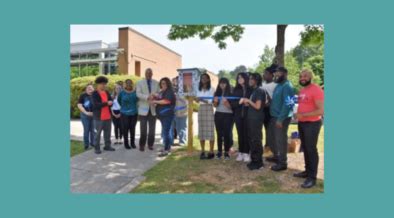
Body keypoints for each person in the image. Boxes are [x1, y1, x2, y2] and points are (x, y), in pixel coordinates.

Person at [294, 69, 324, 188]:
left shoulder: (316, 89)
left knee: (311, 149)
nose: (302, 78)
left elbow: (321, 110)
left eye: (305, 76)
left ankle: (312, 177)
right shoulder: (302, 90)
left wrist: (304, 115)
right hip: (302, 123)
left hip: (312, 124)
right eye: (301, 76)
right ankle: (307, 171)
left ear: (310, 77)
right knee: (305, 148)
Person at [269, 67, 295, 171]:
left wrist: (280, 119)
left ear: (285, 74)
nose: (276, 75)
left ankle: (282, 163)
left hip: (281, 118)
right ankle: (277, 157)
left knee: (281, 140)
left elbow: (289, 104)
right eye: (276, 73)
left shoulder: (287, 86)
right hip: (274, 116)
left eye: (279, 73)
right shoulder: (279, 85)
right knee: (274, 139)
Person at [240, 73, 266, 170]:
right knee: (252, 139)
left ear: (257, 80)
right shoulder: (254, 91)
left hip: (256, 119)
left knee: (256, 140)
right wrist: (248, 103)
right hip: (251, 118)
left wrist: (248, 100)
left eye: (252, 79)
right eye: (250, 79)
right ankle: (254, 160)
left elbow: (258, 106)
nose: (250, 80)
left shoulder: (259, 91)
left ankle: (258, 162)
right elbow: (254, 105)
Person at [230, 72, 252, 162]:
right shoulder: (236, 90)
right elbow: (232, 104)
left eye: (241, 77)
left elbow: (254, 102)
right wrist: (239, 102)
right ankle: (241, 152)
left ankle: (247, 153)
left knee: (247, 134)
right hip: (238, 116)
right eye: (238, 77)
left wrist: (248, 103)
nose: (239, 79)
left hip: (248, 115)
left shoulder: (250, 89)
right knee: (240, 134)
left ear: (246, 78)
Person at [136, 68, 159, 151]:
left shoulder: (156, 83)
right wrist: (147, 97)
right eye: (147, 73)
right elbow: (138, 94)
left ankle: (150, 144)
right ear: (145, 74)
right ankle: (142, 145)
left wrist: (155, 95)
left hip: (153, 109)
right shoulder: (139, 83)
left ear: (152, 74)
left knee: (152, 130)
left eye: (150, 73)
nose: (149, 74)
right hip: (143, 110)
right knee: (143, 129)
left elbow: (159, 93)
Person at [152, 77, 176, 157]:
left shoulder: (169, 91)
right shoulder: (162, 91)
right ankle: (167, 148)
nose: (163, 85)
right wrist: (156, 102)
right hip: (162, 115)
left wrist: (155, 101)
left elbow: (166, 101)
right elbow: (160, 100)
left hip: (167, 115)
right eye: (161, 83)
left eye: (164, 83)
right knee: (166, 132)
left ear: (168, 84)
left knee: (166, 132)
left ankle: (166, 150)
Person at [92, 76, 115, 154]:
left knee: (108, 133)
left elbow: (110, 101)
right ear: (98, 84)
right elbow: (95, 105)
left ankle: (107, 146)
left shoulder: (107, 92)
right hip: (99, 117)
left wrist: (111, 102)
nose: (104, 85)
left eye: (105, 84)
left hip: (108, 116)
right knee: (97, 134)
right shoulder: (94, 93)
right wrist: (106, 103)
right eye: (102, 84)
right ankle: (97, 148)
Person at [195, 73, 215, 160]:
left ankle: (211, 151)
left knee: (210, 130)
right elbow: (197, 100)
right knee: (202, 130)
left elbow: (210, 101)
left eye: (205, 78)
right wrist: (197, 99)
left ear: (208, 79)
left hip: (209, 109)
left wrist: (201, 99)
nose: (203, 79)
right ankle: (202, 151)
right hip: (201, 109)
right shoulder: (198, 89)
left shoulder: (212, 89)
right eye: (202, 78)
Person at [213, 78, 233, 160]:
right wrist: (215, 102)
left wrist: (227, 103)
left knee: (227, 134)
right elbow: (215, 106)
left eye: (224, 83)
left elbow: (233, 107)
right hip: (218, 114)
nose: (222, 85)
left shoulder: (231, 93)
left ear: (227, 84)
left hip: (228, 115)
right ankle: (219, 152)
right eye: (221, 83)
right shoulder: (216, 93)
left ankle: (227, 152)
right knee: (219, 133)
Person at [261, 64, 278, 157]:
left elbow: (275, 99)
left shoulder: (275, 85)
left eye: (266, 73)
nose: (264, 75)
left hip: (270, 111)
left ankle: (269, 148)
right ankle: (264, 148)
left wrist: (269, 103)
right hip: (260, 110)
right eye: (264, 73)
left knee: (269, 131)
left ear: (272, 75)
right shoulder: (262, 85)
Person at [118, 79, 138, 149]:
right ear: (125, 84)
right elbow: (119, 100)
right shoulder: (122, 93)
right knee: (125, 129)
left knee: (132, 129)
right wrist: (124, 108)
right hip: (124, 113)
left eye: (130, 83)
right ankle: (126, 144)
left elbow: (137, 100)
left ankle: (132, 143)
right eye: (127, 83)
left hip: (134, 113)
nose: (129, 84)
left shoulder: (135, 92)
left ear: (132, 84)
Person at [77, 83, 95, 150]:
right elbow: (79, 105)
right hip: (85, 115)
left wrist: (94, 113)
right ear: (86, 89)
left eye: (91, 88)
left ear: (93, 89)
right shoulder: (83, 95)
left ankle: (93, 143)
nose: (90, 89)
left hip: (93, 115)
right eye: (88, 88)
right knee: (86, 130)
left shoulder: (95, 95)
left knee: (92, 130)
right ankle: (86, 145)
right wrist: (86, 113)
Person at [172, 76, 187, 146]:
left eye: (180, 80)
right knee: (174, 127)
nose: (178, 82)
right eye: (178, 80)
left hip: (183, 111)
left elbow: (186, 100)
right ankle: (171, 140)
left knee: (182, 127)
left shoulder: (186, 89)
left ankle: (182, 141)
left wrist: (178, 96)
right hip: (174, 111)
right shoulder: (173, 89)